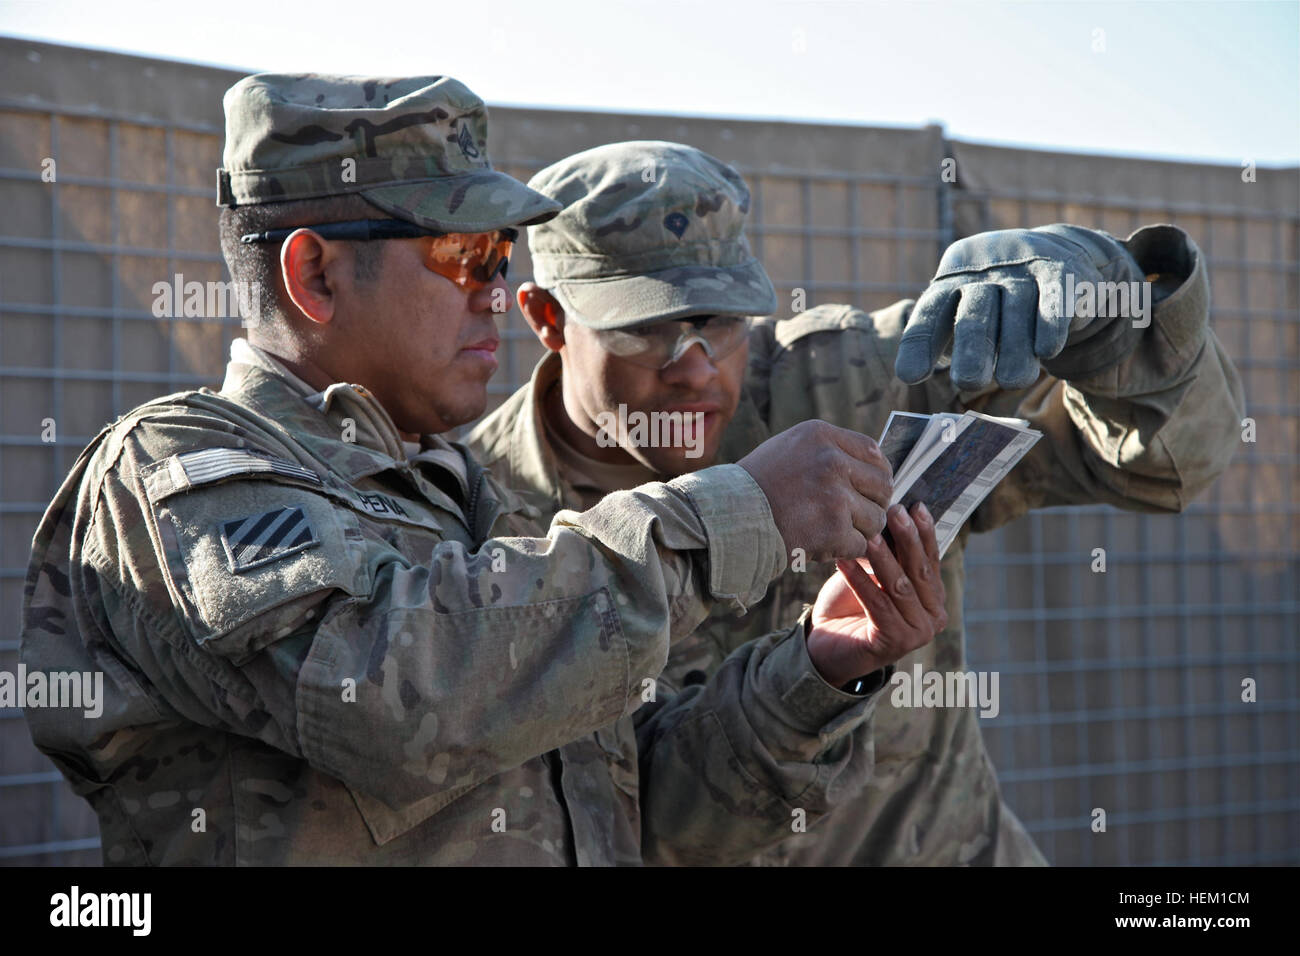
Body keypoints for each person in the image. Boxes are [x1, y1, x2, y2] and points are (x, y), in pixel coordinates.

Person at [20, 77, 938, 866]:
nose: (495, 292)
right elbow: (383, 692)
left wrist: (822, 669)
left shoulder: (472, 499)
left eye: (501, 258)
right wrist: (734, 515)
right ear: (317, 276)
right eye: (461, 255)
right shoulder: (176, 469)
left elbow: (643, 820)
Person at [467, 139, 1247, 865]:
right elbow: (645, 822)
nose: (696, 370)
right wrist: (817, 677)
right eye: (649, 330)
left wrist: (1116, 323)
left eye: (721, 322)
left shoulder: (847, 387)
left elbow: (1164, 464)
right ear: (546, 319)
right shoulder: (486, 520)